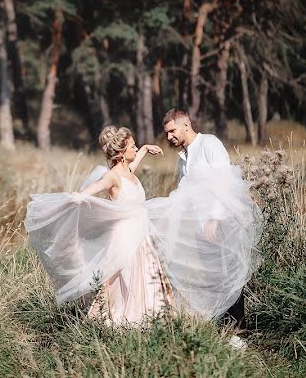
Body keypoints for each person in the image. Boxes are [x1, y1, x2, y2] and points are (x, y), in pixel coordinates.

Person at [25, 123, 262, 329]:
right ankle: (123, 321)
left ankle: (150, 319)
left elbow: (132, 166)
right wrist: (70, 200)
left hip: (142, 237)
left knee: (147, 278)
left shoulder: (127, 171)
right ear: (121, 153)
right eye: (132, 147)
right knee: (125, 279)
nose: (135, 149)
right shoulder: (112, 177)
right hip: (125, 238)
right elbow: (86, 193)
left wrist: (146, 149)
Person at [163, 108, 253, 343]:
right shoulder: (182, 158)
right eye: (166, 133)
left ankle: (238, 333)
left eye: (172, 131)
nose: (169, 137)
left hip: (221, 222)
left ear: (185, 124)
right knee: (211, 276)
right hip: (200, 228)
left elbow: (224, 184)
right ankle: (223, 329)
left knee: (229, 273)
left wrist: (214, 218)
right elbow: (183, 194)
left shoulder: (210, 145)